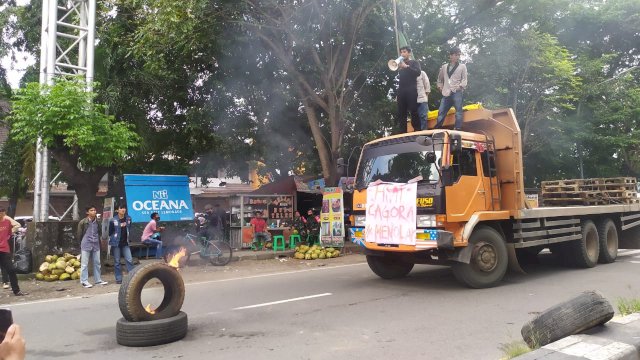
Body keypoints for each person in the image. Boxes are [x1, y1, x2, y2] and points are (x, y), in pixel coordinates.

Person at [435, 47, 468, 130]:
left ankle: (457, 128)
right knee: (441, 111)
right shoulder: (444, 67)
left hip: (457, 91)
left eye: (458, 55)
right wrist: (440, 87)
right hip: (446, 92)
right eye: (456, 55)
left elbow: (465, 79)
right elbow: (439, 79)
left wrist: (460, 87)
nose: (457, 57)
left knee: (458, 112)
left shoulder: (462, 66)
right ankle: (437, 128)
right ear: (450, 55)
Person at [77, 205, 108, 288]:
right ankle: (84, 281)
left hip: (96, 244)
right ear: (87, 212)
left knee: (97, 263)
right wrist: (80, 244)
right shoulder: (83, 222)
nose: (94, 212)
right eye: (91, 210)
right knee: (84, 264)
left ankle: (98, 280)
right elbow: (79, 235)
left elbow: (100, 232)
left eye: (94, 210)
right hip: (86, 244)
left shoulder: (98, 221)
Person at [395, 46, 422, 134]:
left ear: (409, 53)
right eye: (401, 52)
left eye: (404, 52)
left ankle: (417, 130)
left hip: (411, 90)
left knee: (413, 110)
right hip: (401, 90)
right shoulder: (400, 64)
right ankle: (402, 132)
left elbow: (418, 73)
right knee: (401, 112)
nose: (402, 54)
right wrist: (399, 66)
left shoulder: (414, 62)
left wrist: (406, 67)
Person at [0, 208, 27, 296]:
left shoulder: (7, 222)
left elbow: (9, 234)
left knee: (11, 270)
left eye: (2, 214)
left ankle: (16, 290)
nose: (2, 215)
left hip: (4, 250)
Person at [108, 204, 134, 285]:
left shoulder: (128, 218)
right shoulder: (113, 220)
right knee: (117, 261)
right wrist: (114, 238)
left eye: (124, 208)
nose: (123, 209)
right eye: (121, 208)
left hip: (125, 243)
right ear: (117, 210)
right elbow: (110, 232)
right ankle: (119, 279)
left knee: (129, 259)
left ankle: (132, 278)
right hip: (116, 244)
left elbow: (129, 228)